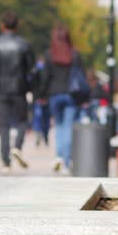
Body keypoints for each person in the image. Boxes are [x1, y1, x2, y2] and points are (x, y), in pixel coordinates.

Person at [0, 10, 35, 173]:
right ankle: (17, 147)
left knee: (3, 125)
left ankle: (5, 162)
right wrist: (31, 88)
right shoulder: (24, 45)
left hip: (0, 89)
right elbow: (31, 70)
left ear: (2, 25)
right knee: (22, 121)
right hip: (19, 89)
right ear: (17, 26)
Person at [38, 24, 83, 173]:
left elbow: (44, 77)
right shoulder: (74, 54)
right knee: (68, 127)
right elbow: (81, 76)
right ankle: (66, 162)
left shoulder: (49, 54)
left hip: (54, 95)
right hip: (71, 95)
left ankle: (58, 155)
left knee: (58, 126)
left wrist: (42, 95)